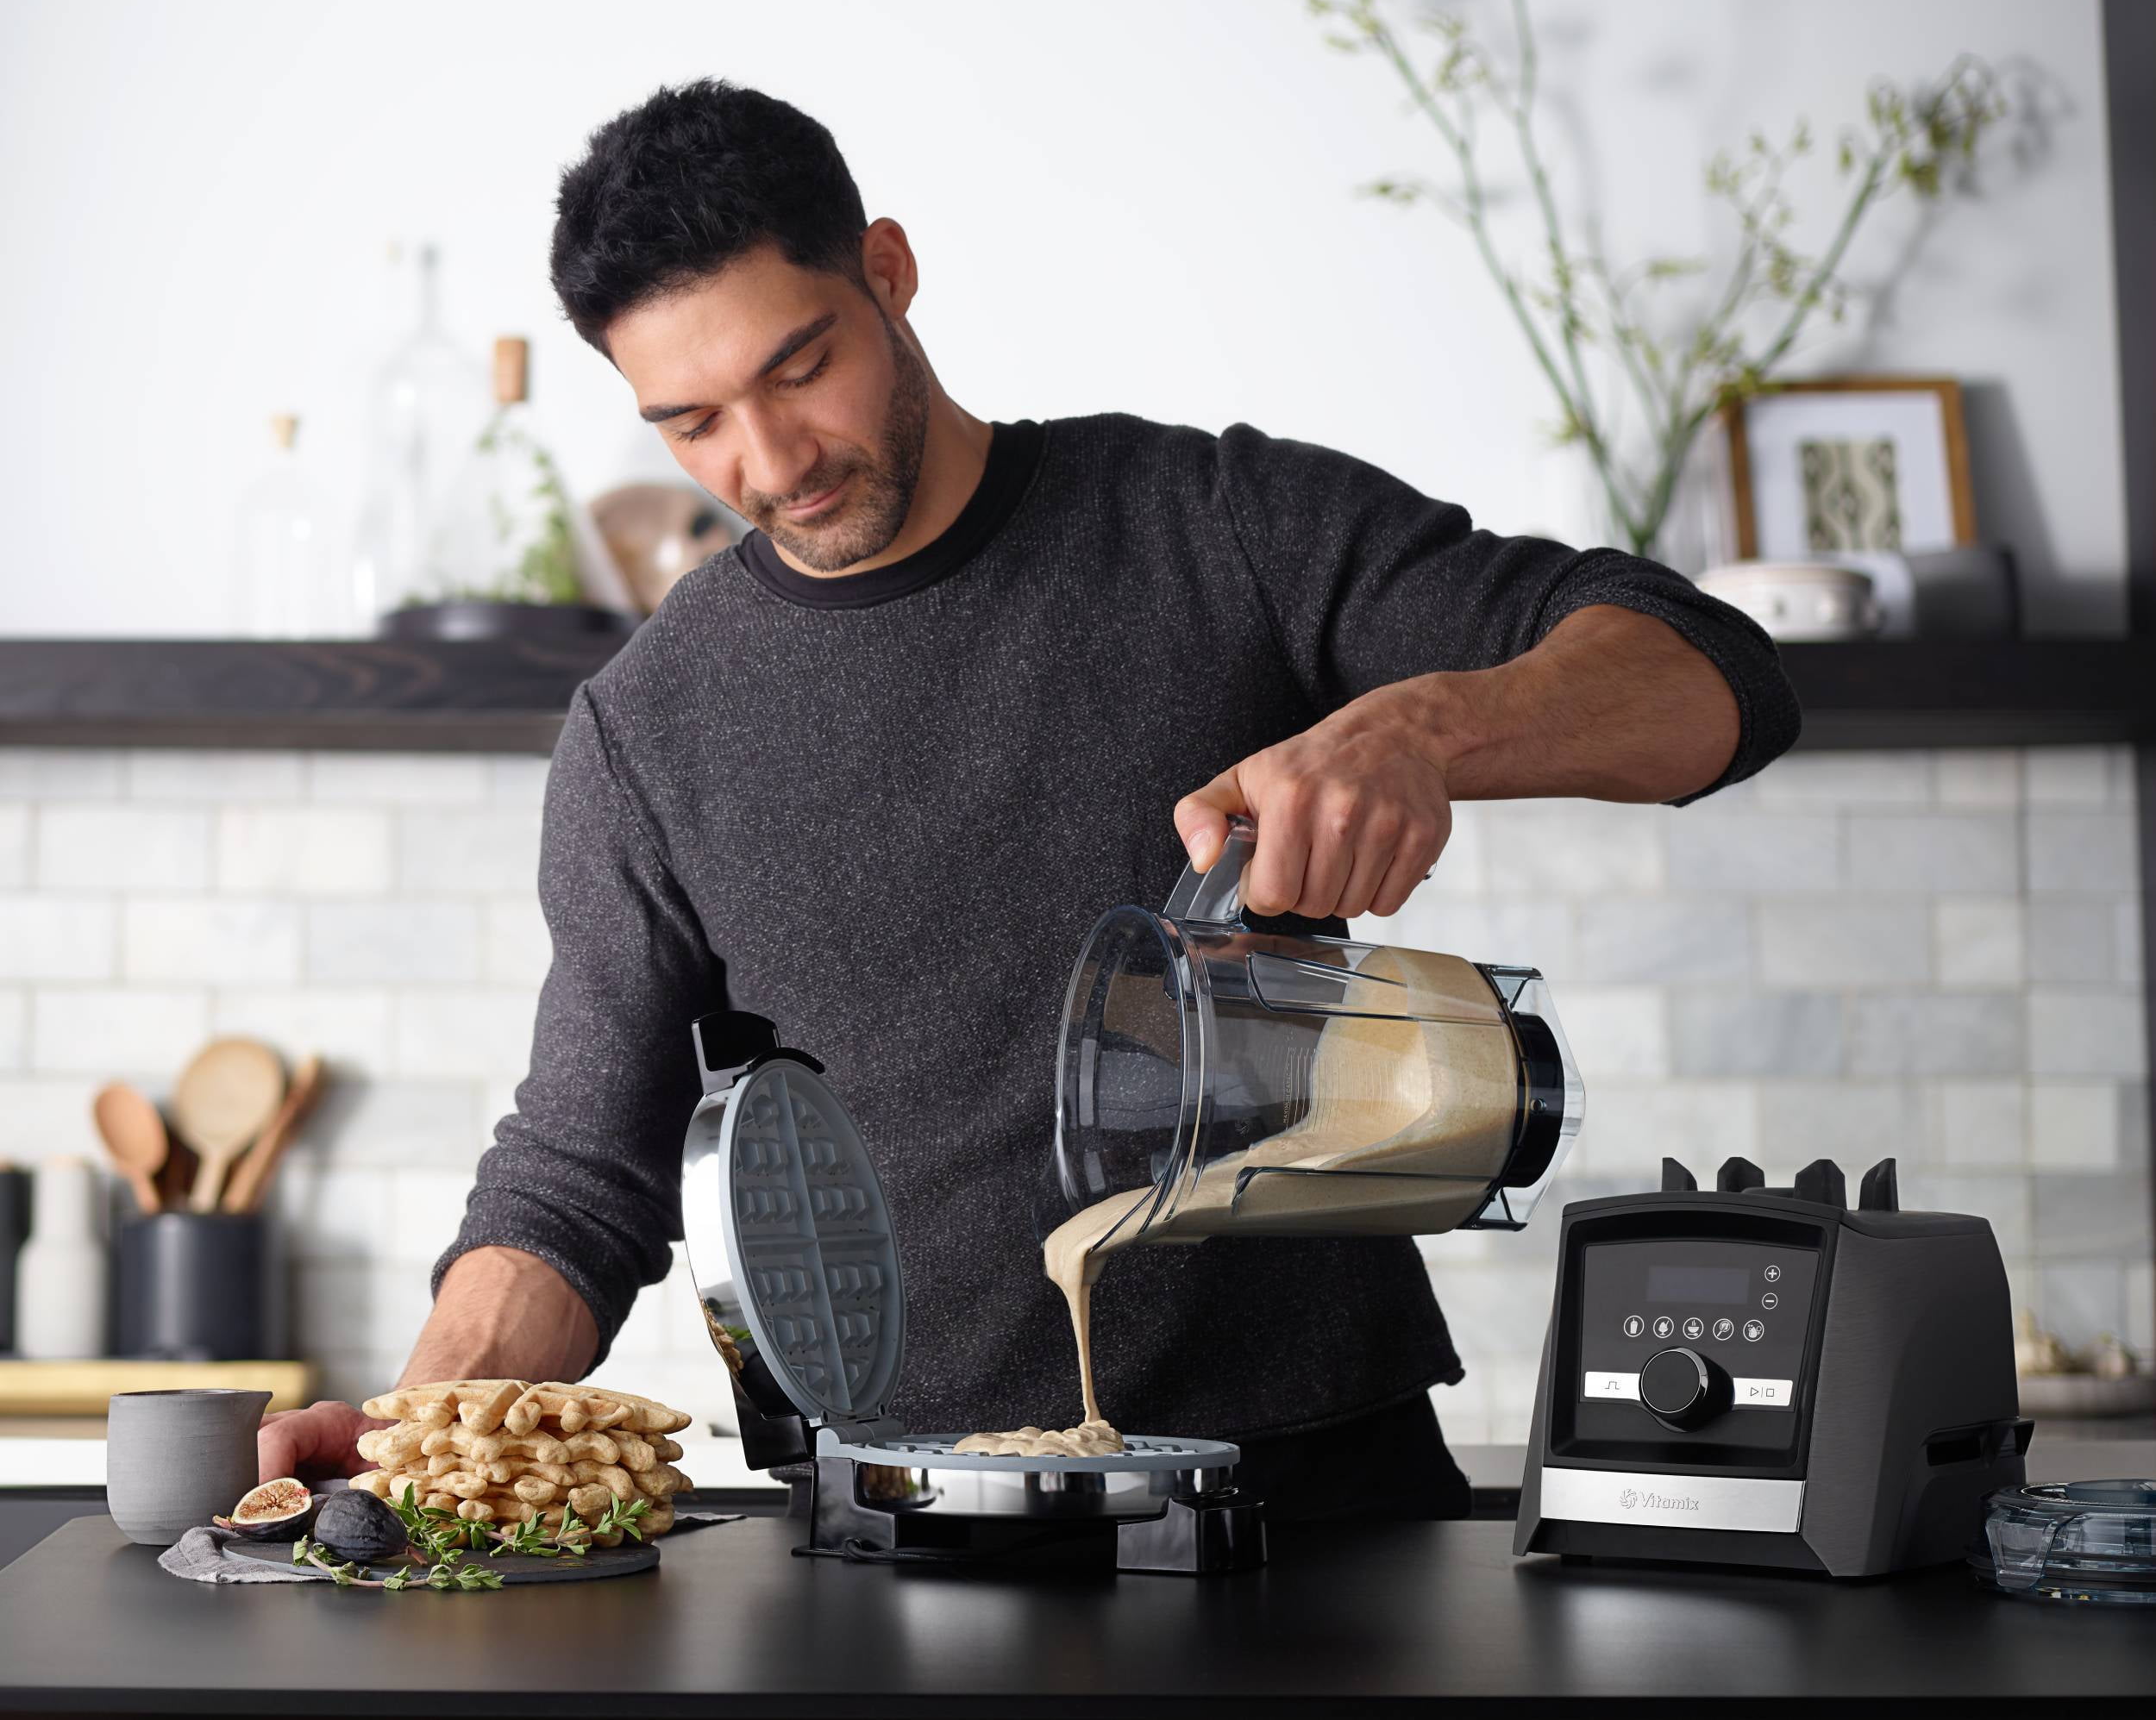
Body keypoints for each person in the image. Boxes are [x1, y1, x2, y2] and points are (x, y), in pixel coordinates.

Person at [262, 79, 1798, 1518]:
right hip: (901, 1532)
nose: (772, 457)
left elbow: (1715, 683)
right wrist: (419, 1442)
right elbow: (584, 1170)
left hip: (1321, 1502)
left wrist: (1430, 726)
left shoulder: (1213, 525)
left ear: (888, 269)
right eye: (692, 422)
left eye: (800, 365)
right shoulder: (646, 729)